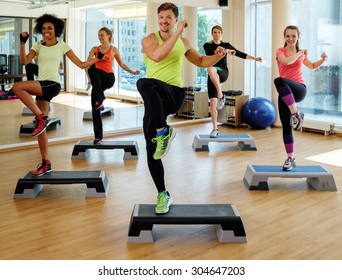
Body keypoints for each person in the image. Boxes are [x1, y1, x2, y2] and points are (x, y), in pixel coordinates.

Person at [136, 2, 226, 214]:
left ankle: (163, 131)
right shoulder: (149, 40)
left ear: (176, 19)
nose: (164, 21)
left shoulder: (182, 40)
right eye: (161, 17)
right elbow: (157, 56)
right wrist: (177, 33)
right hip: (154, 101)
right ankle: (162, 194)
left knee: (144, 83)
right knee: (152, 151)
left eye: (168, 17)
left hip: (174, 94)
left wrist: (218, 56)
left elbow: (202, 61)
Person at [12, 13, 104, 177]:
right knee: (41, 130)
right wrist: (22, 43)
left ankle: (41, 118)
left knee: (17, 87)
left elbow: (81, 64)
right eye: (44, 28)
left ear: (56, 30)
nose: (46, 31)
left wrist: (98, 59)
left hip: (52, 84)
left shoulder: (62, 45)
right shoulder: (38, 46)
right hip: (43, 86)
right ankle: (46, 162)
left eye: (50, 28)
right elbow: (24, 62)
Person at [274, 25, 328, 171]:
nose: (290, 39)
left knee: (279, 80)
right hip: (286, 95)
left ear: (298, 37)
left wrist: (322, 59)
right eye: (288, 36)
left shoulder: (301, 54)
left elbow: (311, 66)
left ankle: (295, 113)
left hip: (299, 89)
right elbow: (285, 62)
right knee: (286, 127)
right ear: (284, 37)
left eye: (293, 36)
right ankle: (291, 158)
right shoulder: (280, 51)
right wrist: (299, 53)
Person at [203, 25, 262, 138]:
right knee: (213, 103)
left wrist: (254, 58)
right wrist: (224, 51)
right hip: (212, 76)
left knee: (210, 69)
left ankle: (220, 94)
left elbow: (239, 53)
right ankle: (215, 128)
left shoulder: (226, 45)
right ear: (212, 34)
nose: (216, 34)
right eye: (214, 32)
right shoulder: (207, 45)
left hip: (222, 72)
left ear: (221, 33)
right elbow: (213, 54)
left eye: (218, 32)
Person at [86, 27, 140, 144]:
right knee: (95, 108)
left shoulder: (113, 49)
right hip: (97, 81)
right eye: (99, 35)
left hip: (108, 79)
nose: (100, 37)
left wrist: (133, 72)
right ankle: (98, 137)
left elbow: (122, 64)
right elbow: (87, 64)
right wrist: (98, 58)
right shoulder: (95, 49)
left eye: (102, 35)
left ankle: (100, 98)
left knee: (94, 76)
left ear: (109, 36)